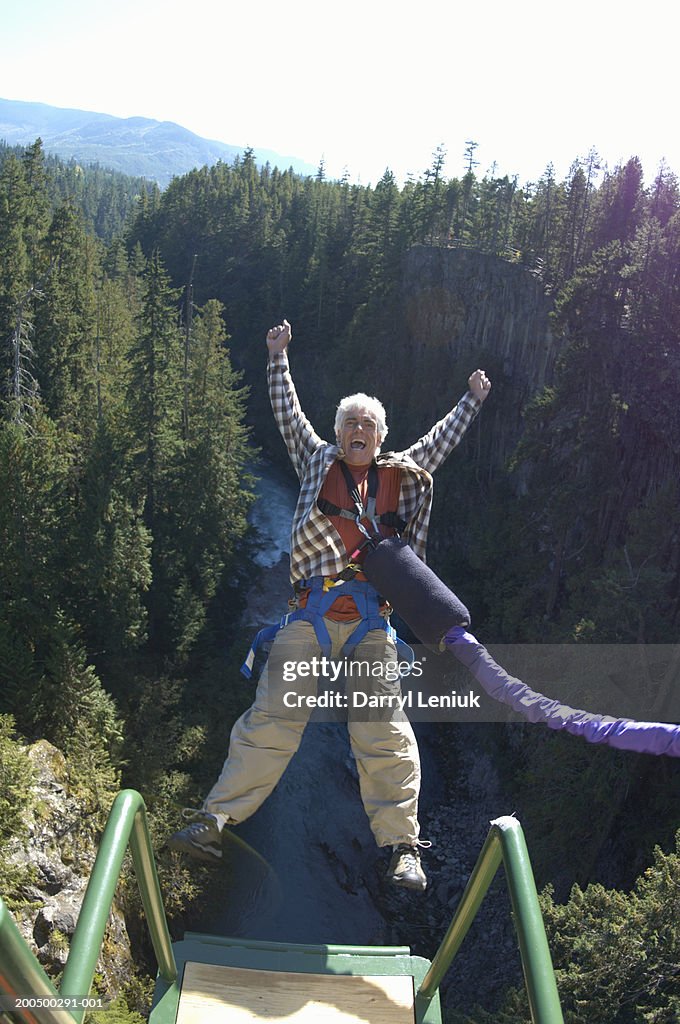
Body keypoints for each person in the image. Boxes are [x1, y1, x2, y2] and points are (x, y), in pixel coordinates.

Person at [169, 319, 491, 890]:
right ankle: (213, 821)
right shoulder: (317, 461)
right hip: (311, 612)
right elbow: (287, 414)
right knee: (274, 717)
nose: (357, 429)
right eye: (349, 424)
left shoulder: (402, 477)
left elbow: (439, 442)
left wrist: (471, 399)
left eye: (367, 424)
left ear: (381, 436)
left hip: (372, 623)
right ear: (339, 434)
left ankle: (401, 847)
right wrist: (277, 356)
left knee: (384, 728)